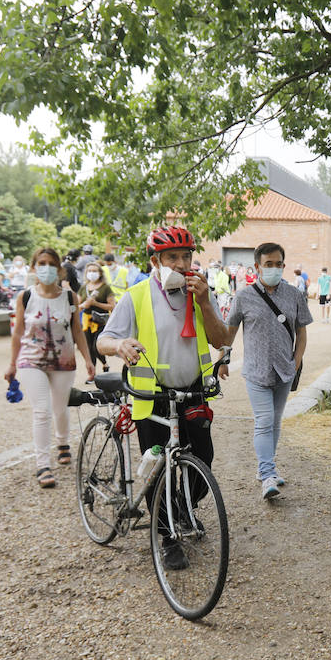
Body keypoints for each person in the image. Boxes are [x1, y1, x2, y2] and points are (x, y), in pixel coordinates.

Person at [97, 226, 231, 569]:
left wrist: (204, 303)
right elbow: (104, 340)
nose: (182, 263)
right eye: (173, 257)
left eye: (187, 256)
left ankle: (184, 509)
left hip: (193, 393)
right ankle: (166, 537)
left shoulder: (200, 292)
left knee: (202, 461)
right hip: (151, 399)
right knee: (157, 471)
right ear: (155, 261)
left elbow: (220, 339)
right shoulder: (137, 295)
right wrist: (120, 345)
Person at [224, 242, 312, 499]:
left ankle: (266, 468)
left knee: (274, 421)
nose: (274, 268)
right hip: (256, 370)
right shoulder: (243, 296)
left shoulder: (294, 295)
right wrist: (223, 359)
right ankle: (267, 474)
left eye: (278, 264)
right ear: (257, 266)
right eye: (268, 264)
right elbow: (229, 331)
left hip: (285, 370)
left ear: (284, 265)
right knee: (263, 421)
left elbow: (302, 331)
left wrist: (296, 360)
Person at [5, 248, 96, 487]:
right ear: (34, 267)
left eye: (51, 264)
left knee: (60, 406)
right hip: (31, 360)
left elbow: (77, 330)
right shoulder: (25, 296)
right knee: (42, 411)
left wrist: (88, 359)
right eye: (41, 263)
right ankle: (43, 465)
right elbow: (17, 333)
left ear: (59, 269)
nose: (46, 268)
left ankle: (63, 442)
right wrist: (12, 364)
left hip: (63, 360)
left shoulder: (69, 297)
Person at [80, 258, 116, 374]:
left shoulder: (105, 288)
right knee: (89, 348)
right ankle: (92, 373)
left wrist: (95, 304)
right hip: (87, 321)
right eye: (89, 271)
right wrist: (84, 305)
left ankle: (104, 363)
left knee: (96, 346)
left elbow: (112, 306)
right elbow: (78, 304)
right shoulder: (84, 287)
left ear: (100, 273)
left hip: (101, 321)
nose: (92, 273)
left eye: (94, 271)